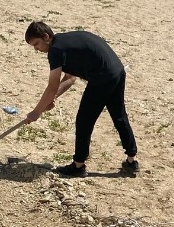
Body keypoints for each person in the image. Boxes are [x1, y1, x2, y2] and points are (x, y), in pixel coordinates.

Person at [24, 20, 139, 178]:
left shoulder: (55, 51)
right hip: (117, 71)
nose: (37, 49)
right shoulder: (65, 41)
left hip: (102, 78)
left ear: (46, 36)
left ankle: (78, 165)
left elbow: (52, 85)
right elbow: (70, 78)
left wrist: (36, 112)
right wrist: (53, 97)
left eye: (36, 44)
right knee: (119, 115)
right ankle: (132, 160)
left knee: (84, 120)